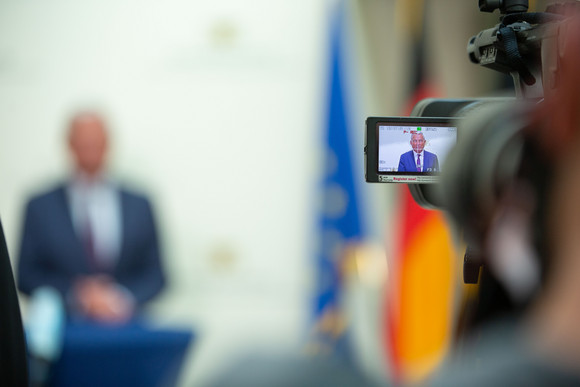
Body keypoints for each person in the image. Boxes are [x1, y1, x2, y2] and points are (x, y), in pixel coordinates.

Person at [17, 111, 166, 324]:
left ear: (109, 144)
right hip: (63, 330)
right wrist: (77, 295)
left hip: (127, 327)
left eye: (96, 142)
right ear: (69, 145)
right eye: (83, 143)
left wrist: (120, 298)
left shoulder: (139, 204)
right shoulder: (40, 206)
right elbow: (27, 275)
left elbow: (157, 275)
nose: (90, 149)